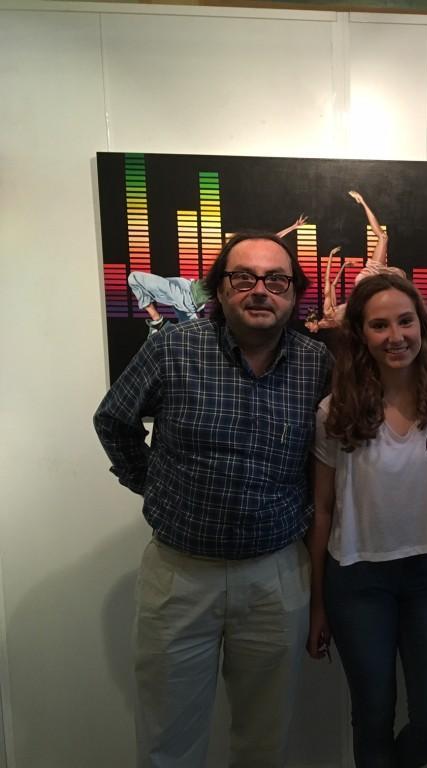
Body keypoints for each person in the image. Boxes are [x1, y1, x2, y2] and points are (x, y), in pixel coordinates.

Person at [94, 231, 332, 767]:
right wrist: (152, 485)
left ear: (294, 295)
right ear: (219, 291)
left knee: (264, 743)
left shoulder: (317, 364)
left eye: (276, 280)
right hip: (180, 577)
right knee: (167, 743)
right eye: (242, 277)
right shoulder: (172, 347)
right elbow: (114, 420)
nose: (259, 291)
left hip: (276, 578)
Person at [306, 272, 427, 767]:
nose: (395, 336)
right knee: (373, 715)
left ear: (422, 325)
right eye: (379, 325)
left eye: (405, 321)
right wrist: (318, 603)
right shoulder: (333, 411)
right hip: (357, 580)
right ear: (360, 334)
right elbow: (321, 510)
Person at [129, 214, 307, 335]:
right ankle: (156, 319)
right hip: (183, 288)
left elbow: (270, 242)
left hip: (189, 303)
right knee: (134, 278)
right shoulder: (227, 266)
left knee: (183, 338)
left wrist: (293, 227)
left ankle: (157, 327)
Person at [306, 191, 404, 335]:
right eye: (309, 328)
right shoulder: (335, 323)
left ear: (314, 322)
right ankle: (363, 202)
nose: (309, 329)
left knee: (383, 237)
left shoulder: (328, 312)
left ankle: (362, 202)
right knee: (383, 238)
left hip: (366, 282)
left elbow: (330, 282)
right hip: (368, 290)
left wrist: (332, 257)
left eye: (309, 326)